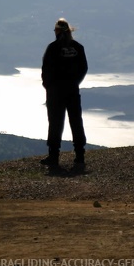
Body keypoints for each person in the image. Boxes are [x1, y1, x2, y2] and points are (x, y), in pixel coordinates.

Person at [40, 17, 88, 168]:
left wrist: (48, 85)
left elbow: (46, 69)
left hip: (55, 92)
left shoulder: (53, 48)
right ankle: (79, 156)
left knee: (55, 122)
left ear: (58, 31)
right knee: (76, 121)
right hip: (72, 90)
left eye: (55, 30)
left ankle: (53, 156)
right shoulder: (78, 47)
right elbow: (83, 68)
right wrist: (75, 83)